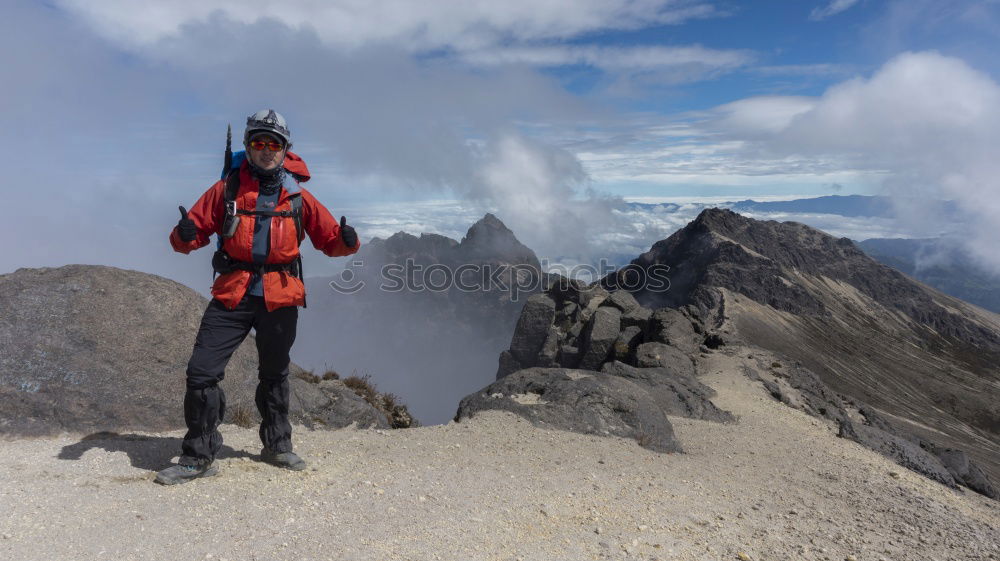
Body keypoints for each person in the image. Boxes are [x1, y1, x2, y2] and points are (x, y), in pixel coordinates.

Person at [156, 109, 360, 485]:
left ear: (286, 150)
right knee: (201, 373)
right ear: (248, 147)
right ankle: (198, 457)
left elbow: (330, 241)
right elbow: (187, 240)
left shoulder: (299, 198)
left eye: (274, 144)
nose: (266, 150)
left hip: (279, 296)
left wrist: (348, 242)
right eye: (259, 142)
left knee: (275, 373)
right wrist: (184, 234)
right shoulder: (226, 190)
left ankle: (277, 445)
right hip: (233, 292)